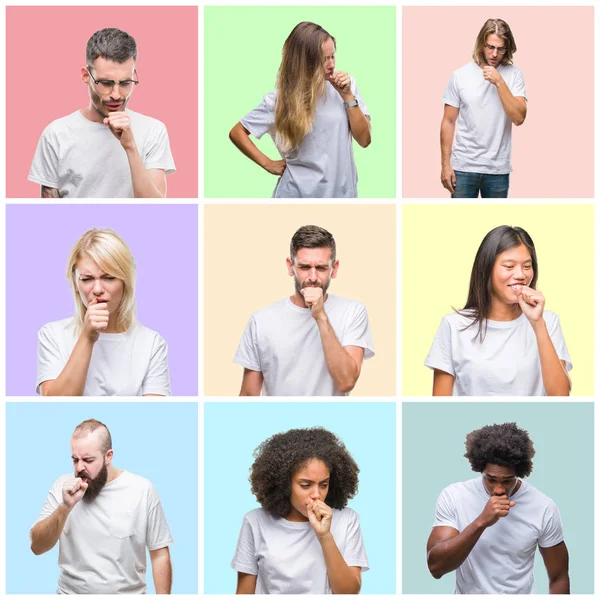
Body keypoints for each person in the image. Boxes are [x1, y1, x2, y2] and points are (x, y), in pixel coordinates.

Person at [229, 21, 371, 198]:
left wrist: (348, 96)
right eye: (324, 59)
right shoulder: (279, 100)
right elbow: (237, 132)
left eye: (333, 56)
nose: (332, 64)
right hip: (296, 196)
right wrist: (267, 163)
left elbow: (364, 140)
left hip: (342, 196)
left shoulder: (346, 87)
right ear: (305, 62)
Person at [29, 28, 175, 198]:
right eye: (106, 83)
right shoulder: (56, 134)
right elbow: (49, 214)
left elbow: (156, 211)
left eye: (126, 82)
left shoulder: (153, 130)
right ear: (85, 76)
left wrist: (130, 147)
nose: (116, 94)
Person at [425, 225, 571, 396]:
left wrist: (537, 323)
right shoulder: (454, 325)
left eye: (526, 266)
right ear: (487, 269)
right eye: (509, 266)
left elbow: (561, 397)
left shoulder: (548, 321)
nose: (521, 275)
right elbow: (440, 406)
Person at [30, 419, 173, 594]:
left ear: (108, 456)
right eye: (75, 460)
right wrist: (65, 507)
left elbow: (159, 554)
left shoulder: (142, 490)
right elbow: (37, 546)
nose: (80, 467)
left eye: (88, 460)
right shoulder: (62, 487)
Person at [427, 422, 570, 594]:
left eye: (508, 480)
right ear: (480, 469)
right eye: (491, 479)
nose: (499, 489)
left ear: (519, 473)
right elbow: (436, 567)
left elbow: (559, 576)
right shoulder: (454, 496)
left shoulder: (543, 507)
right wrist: (481, 522)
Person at [234, 225, 374, 396]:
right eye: (305, 267)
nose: (313, 277)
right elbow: (248, 396)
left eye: (321, 268)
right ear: (290, 266)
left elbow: (347, 381)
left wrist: (321, 316)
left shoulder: (353, 312)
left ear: (334, 268)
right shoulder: (261, 320)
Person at [232, 427, 368, 594]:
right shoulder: (255, 522)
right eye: (305, 485)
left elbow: (349, 593)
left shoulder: (347, 520)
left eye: (324, 485)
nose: (317, 495)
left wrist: (325, 536)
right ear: (284, 484)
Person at [37, 228, 171, 396]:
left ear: (125, 280)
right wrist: (87, 337)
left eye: (109, 278)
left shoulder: (152, 344)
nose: (98, 289)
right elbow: (52, 407)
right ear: (75, 282)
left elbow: (153, 416)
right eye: (87, 279)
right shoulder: (52, 335)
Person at [440, 18, 526, 198]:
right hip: (463, 167)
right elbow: (448, 122)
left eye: (500, 48)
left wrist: (499, 81)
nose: (494, 54)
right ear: (481, 44)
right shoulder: (460, 76)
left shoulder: (514, 75)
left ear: (507, 48)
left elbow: (519, 118)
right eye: (490, 47)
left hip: (498, 169)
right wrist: (445, 165)